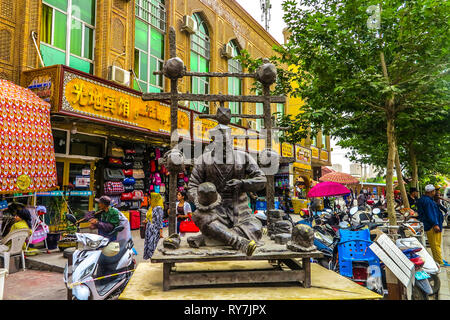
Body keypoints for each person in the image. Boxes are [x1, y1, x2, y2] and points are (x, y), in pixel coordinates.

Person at [417, 184, 445, 266]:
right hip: (432, 226)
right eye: (434, 191)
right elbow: (431, 214)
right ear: (431, 191)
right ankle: (439, 262)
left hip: (430, 224)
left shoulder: (424, 199)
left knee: (435, 244)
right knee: (435, 244)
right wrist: (435, 224)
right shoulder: (428, 201)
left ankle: (439, 259)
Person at [143, 193, 164, 260]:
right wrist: (146, 221)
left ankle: (154, 260)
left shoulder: (158, 208)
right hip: (149, 229)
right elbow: (150, 217)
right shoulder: (151, 207)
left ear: (154, 199)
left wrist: (160, 233)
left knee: (153, 246)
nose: (148, 200)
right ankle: (151, 259)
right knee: (149, 245)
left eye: (149, 198)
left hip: (155, 230)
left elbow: (160, 221)